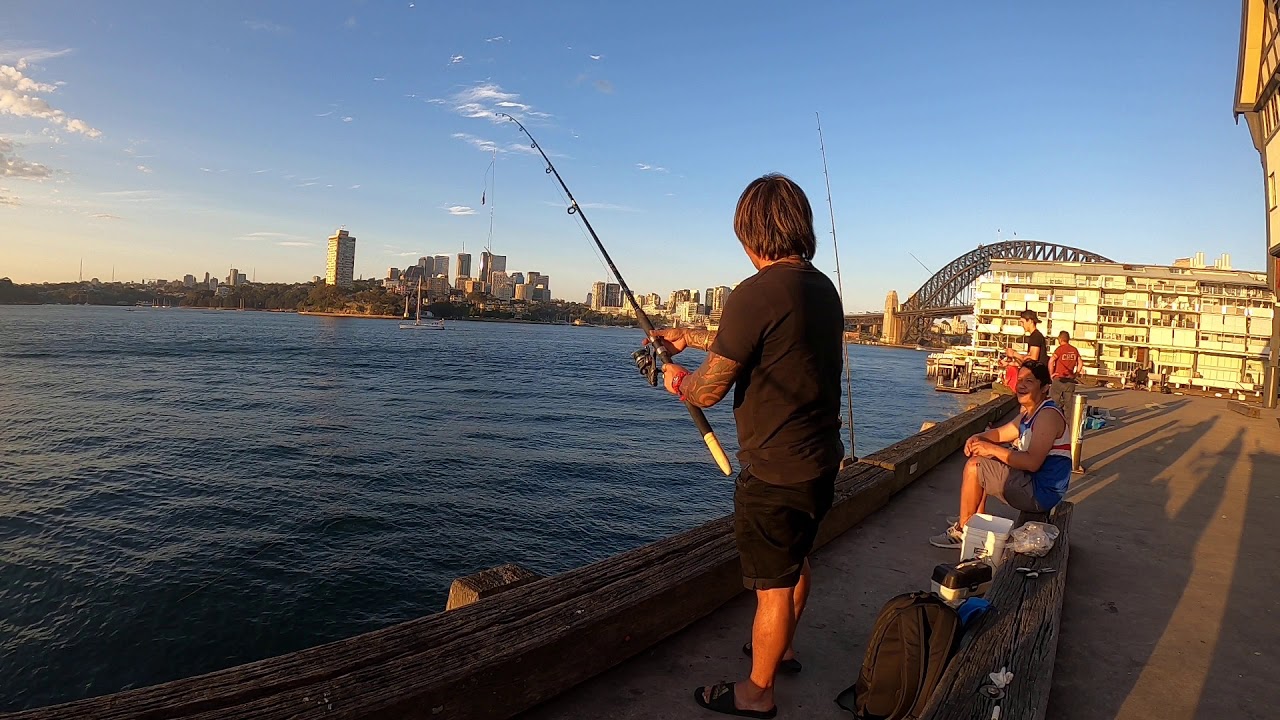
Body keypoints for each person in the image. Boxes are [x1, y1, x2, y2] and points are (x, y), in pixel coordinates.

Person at [649, 173, 844, 718]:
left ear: (750, 232)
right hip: (821, 461)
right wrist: (692, 340)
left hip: (775, 472)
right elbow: (768, 347)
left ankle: (758, 692)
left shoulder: (752, 293)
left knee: (773, 585)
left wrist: (675, 377)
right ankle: (781, 649)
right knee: (798, 561)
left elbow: (708, 389)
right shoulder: (821, 289)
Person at [930, 360, 1070, 548]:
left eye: (1028, 381)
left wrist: (991, 449)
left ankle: (963, 531)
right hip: (1033, 483)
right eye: (1019, 379)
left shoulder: (1047, 416)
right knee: (984, 456)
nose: (1020, 384)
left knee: (975, 466)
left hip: (1041, 493)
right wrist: (978, 437)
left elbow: (1032, 463)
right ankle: (974, 518)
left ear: (1045, 387)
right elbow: (1000, 433)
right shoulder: (1031, 413)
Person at [1048, 331, 1082, 409]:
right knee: (1068, 406)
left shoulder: (1059, 349)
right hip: (1070, 381)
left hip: (1059, 379)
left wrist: (1051, 374)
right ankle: (1066, 420)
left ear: (1060, 339)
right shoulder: (1074, 350)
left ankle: (1055, 418)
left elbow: (1051, 361)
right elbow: (1080, 363)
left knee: (1054, 403)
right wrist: (1076, 374)